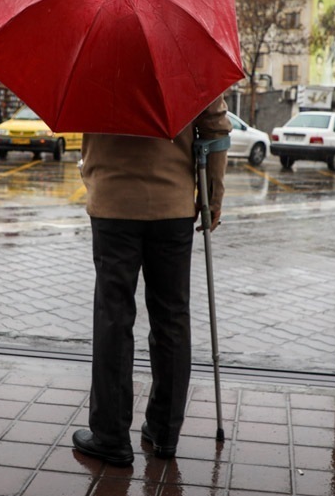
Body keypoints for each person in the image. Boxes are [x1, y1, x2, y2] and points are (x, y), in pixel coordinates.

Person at [71, 96, 230, 466]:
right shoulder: (188, 52)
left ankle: (110, 435)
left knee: (113, 317)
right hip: (173, 206)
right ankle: (165, 431)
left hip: (112, 203)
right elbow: (216, 128)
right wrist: (214, 196)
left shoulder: (92, 51)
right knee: (172, 317)